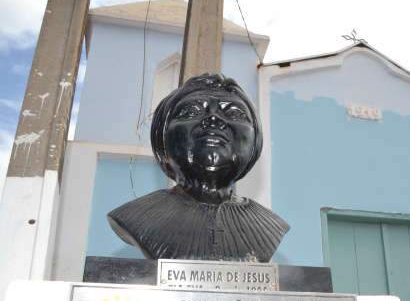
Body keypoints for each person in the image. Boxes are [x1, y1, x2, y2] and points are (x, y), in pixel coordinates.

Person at [108, 74, 289, 262]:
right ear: (163, 139)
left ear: (255, 144)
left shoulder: (271, 225)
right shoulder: (135, 219)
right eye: (191, 112)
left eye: (234, 113)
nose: (213, 119)